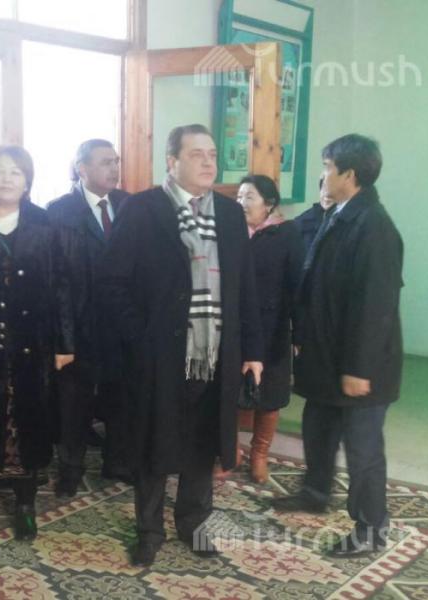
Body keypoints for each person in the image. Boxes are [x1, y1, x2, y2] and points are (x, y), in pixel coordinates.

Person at [97, 124, 263, 567]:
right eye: (196, 154)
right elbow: (111, 282)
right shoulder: (142, 209)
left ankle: (194, 523)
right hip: (160, 355)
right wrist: (141, 337)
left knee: (203, 444)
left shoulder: (229, 214)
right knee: (155, 443)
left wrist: (252, 350)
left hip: (215, 351)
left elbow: (244, 286)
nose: (208, 162)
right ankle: (149, 531)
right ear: (171, 162)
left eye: (212, 154)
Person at [272, 134, 404, 559]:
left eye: (328, 167)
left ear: (350, 174)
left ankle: (371, 528)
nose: (323, 175)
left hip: (359, 367)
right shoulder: (341, 215)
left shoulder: (374, 228)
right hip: (326, 358)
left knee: (363, 450)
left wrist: (358, 369)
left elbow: (375, 307)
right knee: (318, 429)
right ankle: (315, 492)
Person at [0, 145, 75, 540]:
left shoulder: (44, 223)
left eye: (15, 172)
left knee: (30, 414)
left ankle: (26, 499)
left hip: (32, 340)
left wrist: (65, 343)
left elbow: (62, 286)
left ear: (27, 182)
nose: (6, 178)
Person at [47, 139, 132, 497]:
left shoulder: (128, 204)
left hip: (120, 322)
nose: (114, 168)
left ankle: (118, 461)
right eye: (104, 162)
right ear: (82, 168)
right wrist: (63, 337)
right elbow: (57, 279)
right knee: (74, 402)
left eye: (115, 161)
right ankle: (70, 468)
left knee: (121, 396)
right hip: (79, 323)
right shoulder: (60, 211)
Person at [234, 175, 305, 484]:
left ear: (269, 203)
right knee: (230, 391)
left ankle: (259, 453)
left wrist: (299, 332)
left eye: (249, 197)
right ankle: (230, 451)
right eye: (239, 196)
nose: (241, 203)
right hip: (235, 326)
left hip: (272, 327)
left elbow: (297, 286)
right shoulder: (232, 232)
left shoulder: (287, 234)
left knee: (270, 394)